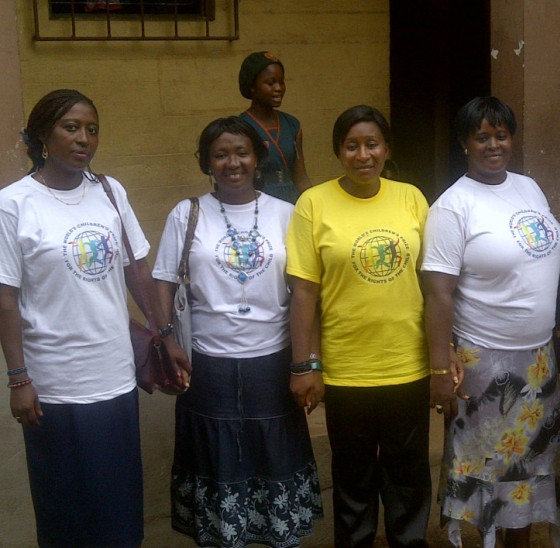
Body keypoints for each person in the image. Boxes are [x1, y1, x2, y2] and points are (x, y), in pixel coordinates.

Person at [0, 88, 189, 548]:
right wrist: (19, 378)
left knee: (118, 505)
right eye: (71, 127)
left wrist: (165, 333)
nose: (84, 138)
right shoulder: (13, 204)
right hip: (54, 386)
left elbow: (137, 271)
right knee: (65, 508)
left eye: (92, 129)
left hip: (114, 376)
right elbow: (5, 300)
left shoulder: (109, 191)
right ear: (44, 134)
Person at [153, 116, 322, 548]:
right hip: (207, 365)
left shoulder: (288, 214)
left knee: (275, 462)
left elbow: (306, 291)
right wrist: (168, 337)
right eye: (221, 154)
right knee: (219, 466)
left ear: (258, 159)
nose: (233, 162)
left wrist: (309, 361)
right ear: (207, 163)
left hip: (274, 362)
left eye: (242, 152)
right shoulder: (186, 214)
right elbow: (163, 281)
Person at [422, 96, 560, 548]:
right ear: (464, 143)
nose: (493, 144)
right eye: (481, 136)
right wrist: (441, 365)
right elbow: (438, 293)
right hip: (484, 362)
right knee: (490, 469)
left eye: (501, 135)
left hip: (538, 360)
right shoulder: (453, 206)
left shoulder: (528, 188)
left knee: (526, 468)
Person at [286, 105, 431, 547]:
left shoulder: (411, 197)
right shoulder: (314, 203)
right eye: (352, 145)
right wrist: (303, 366)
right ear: (338, 151)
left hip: (409, 364)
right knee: (353, 478)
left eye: (372, 144)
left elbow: (435, 284)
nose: (363, 154)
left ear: (386, 148)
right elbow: (304, 292)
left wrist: (447, 357)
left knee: (408, 475)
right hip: (346, 368)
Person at [238, 51, 311, 203]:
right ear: (252, 86)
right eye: (270, 83)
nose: (279, 88)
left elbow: (301, 176)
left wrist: (313, 205)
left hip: (291, 199)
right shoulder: (240, 127)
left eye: (282, 82)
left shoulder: (292, 124)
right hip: (257, 201)